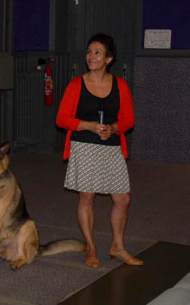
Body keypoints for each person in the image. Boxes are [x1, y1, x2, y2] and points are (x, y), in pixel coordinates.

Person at [56, 33, 143, 269]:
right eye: (89, 52)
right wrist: (89, 126)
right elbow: (62, 119)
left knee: (122, 199)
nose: (91, 57)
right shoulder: (76, 84)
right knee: (87, 197)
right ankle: (91, 246)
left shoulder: (120, 85)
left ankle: (117, 245)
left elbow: (128, 120)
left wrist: (113, 128)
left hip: (111, 146)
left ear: (109, 59)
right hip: (84, 145)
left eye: (97, 53)